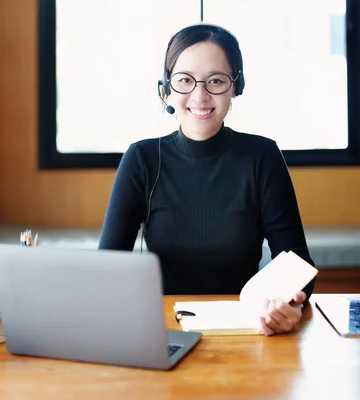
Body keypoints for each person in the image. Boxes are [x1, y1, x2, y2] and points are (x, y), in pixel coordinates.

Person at [98, 23, 316, 336]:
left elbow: (299, 265)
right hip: (162, 332)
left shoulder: (262, 156)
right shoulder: (141, 159)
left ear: (235, 87)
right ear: (167, 87)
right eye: (185, 80)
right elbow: (106, 271)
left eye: (215, 80)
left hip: (246, 332)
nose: (200, 95)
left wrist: (288, 304)